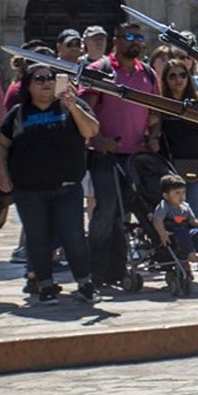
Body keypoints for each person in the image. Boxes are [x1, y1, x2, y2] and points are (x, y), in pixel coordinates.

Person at [0, 63, 100, 302]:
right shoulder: (19, 113)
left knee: (74, 236)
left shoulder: (71, 105)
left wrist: (72, 105)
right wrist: (2, 174)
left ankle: (84, 283)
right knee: (37, 237)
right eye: (39, 79)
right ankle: (44, 284)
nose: (46, 83)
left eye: (51, 78)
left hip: (67, 187)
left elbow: (91, 130)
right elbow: (0, 144)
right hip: (29, 189)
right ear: (28, 86)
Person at [81, 26, 159, 290]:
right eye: (129, 37)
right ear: (116, 41)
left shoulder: (148, 73)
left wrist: (154, 136)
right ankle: (96, 270)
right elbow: (85, 109)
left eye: (140, 38)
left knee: (132, 212)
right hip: (105, 155)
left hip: (138, 156)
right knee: (107, 211)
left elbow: (156, 112)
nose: (135, 42)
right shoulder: (99, 70)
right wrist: (97, 139)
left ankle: (122, 267)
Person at [153, 61, 198, 222]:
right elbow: (155, 132)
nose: (179, 79)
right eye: (173, 76)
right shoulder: (161, 103)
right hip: (169, 168)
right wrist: (152, 139)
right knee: (174, 217)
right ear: (166, 80)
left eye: (183, 75)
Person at [151, 176, 198, 278]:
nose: (181, 196)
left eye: (183, 192)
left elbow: (192, 220)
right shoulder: (164, 206)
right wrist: (162, 233)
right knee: (182, 233)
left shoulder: (185, 206)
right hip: (173, 233)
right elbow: (157, 219)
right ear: (166, 195)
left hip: (186, 230)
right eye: (177, 193)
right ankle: (191, 256)